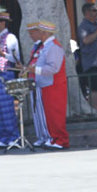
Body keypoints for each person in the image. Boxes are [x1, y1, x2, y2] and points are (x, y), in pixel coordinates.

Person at [27, 21, 68, 149]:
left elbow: (53, 68)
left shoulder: (53, 47)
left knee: (55, 113)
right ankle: (54, 138)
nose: (36, 33)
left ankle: (61, 140)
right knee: (50, 115)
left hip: (54, 85)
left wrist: (35, 70)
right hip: (48, 85)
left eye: (38, 31)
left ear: (44, 33)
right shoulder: (46, 46)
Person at [0, 9, 21, 147]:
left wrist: (1, 53)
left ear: (2, 22)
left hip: (5, 72)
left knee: (7, 107)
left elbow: (16, 58)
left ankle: (13, 136)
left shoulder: (10, 37)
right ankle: (3, 137)